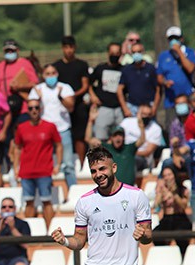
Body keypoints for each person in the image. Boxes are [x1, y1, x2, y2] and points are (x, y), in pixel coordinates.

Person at [13, 98, 62, 228]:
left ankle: (50, 232)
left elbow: (59, 145)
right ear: (27, 111)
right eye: (30, 108)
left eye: (36, 107)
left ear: (41, 109)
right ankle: (31, 232)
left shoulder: (50, 126)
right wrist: (15, 167)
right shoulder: (21, 128)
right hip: (26, 171)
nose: (34, 110)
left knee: (47, 201)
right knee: (29, 202)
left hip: (44, 171)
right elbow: (17, 148)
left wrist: (58, 164)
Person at [28, 64, 76, 191]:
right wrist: (38, 98)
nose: (51, 76)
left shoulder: (65, 88)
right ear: (43, 75)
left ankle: (73, 192)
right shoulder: (37, 89)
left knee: (68, 164)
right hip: (44, 131)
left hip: (62, 129)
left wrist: (60, 97)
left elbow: (71, 107)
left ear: (57, 74)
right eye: (48, 74)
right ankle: (46, 191)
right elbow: (32, 110)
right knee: (44, 163)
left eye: (53, 73)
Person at [53, 36, 90, 169]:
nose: (69, 50)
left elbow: (85, 85)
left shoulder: (81, 65)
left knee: (79, 137)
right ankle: (61, 164)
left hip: (78, 105)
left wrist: (72, 96)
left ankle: (81, 165)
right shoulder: (56, 66)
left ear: (74, 48)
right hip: (61, 107)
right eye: (66, 47)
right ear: (62, 48)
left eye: (71, 47)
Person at [86, 107, 145, 187]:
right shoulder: (106, 149)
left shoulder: (129, 148)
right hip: (112, 190)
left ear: (124, 137)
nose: (118, 138)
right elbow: (88, 139)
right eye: (115, 135)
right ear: (111, 138)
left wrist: (141, 127)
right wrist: (90, 121)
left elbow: (141, 140)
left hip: (129, 188)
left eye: (120, 135)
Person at [157, 26, 195, 127]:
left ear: (181, 39)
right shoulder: (163, 56)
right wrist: (165, 82)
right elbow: (159, 76)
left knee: (190, 125)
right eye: (171, 39)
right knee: (172, 127)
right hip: (171, 100)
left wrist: (179, 52)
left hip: (188, 97)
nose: (173, 41)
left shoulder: (189, 52)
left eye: (176, 38)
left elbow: (190, 69)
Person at [118, 104, 162, 185]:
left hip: (141, 159)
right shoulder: (127, 122)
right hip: (122, 154)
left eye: (149, 115)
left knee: (131, 160)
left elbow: (147, 151)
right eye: (144, 114)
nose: (146, 117)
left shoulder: (156, 129)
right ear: (138, 113)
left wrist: (128, 152)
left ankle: (127, 186)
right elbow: (116, 138)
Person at [153, 165, 191, 257]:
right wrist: (160, 194)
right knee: (155, 235)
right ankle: (164, 256)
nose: (167, 178)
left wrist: (175, 194)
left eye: (169, 175)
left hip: (180, 217)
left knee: (181, 235)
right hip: (167, 218)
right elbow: (156, 205)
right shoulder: (162, 188)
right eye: (164, 175)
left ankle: (183, 256)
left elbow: (183, 206)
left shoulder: (183, 189)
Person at [89, 43, 124, 141]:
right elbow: (89, 83)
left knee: (120, 138)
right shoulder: (100, 68)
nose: (114, 55)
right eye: (112, 52)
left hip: (118, 109)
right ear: (108, 53)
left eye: (117, 53)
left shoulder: (124, 69)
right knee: (101, 138)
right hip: (104, 107)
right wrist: (93, 96)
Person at [117, 41, 160, 118]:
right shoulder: (127, 70)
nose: (136, 54)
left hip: (148, 107)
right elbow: (119, 89)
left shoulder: (151, 69)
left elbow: (158, 89)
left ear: (143, 52)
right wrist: (125, 108)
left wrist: (155, 107)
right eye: (134, 52)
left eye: (139, 52)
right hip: (132, 107)